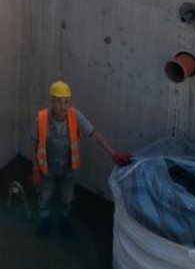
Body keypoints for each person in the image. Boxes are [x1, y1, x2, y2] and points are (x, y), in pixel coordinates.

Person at [32, 80, 129, 239]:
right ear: (52, 101)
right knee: (45, 197)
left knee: (66, 199)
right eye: (59, 102)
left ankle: (63, 221)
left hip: (68, 170)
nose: (63, 106)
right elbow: (34, 142)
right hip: (47, 170)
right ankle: (45, 222)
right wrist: (35, 169)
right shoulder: (41, 118)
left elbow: (94, 134)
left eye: (66, 102)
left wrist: (113, 153)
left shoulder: (74, 115)